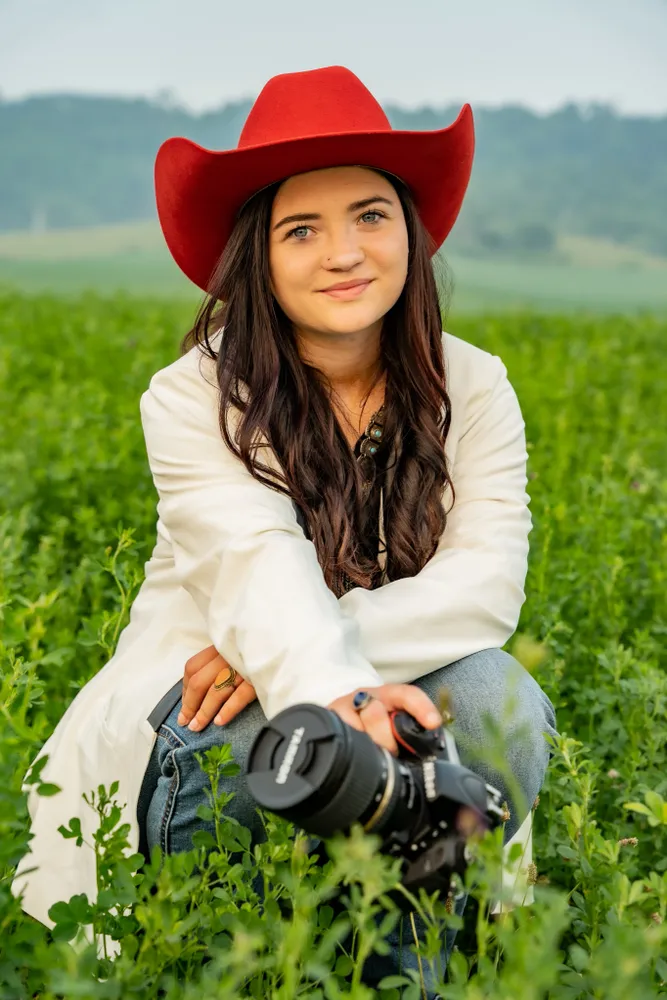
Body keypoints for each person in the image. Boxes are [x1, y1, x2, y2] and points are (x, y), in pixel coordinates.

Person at [12, 65, 557, 994]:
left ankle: (423, 946)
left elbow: (485, 585)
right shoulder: (193, 395)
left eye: (369, 216)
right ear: (255, 257)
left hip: (315, 676)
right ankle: (231, 948)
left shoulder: (475, 386)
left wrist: (296, 656)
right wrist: (301, 674)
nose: (343, 252)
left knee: (495, 693)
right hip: (208, 713)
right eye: (300, 229)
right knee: (254, 738)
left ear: (411, 232)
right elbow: (253, 559)